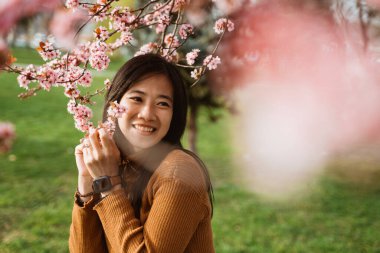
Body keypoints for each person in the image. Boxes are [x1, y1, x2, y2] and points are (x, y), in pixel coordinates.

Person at [69, 53, 215, 253]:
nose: (147, 114)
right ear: (115, 104)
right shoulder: (117, 161)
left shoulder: (178, 173)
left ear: (175, 114)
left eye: (163, 103)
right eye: (137, 98)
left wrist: (108, 183)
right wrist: (87, 184)